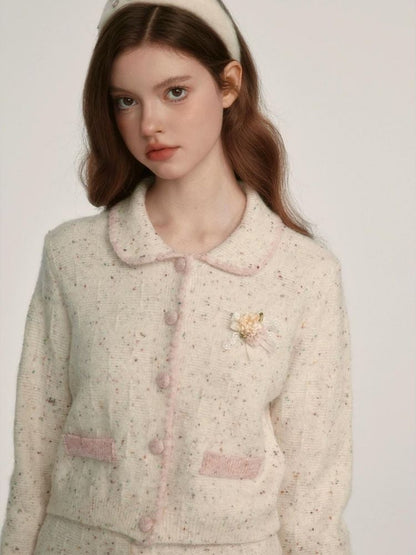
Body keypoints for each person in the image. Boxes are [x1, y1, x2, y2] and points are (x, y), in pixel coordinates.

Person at [0, 1, 353, 553]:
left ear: (229, 84)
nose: (149, 125)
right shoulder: (73, 256)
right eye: (126, 101)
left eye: (176, 92)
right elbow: (34, 456)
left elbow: (315, 492)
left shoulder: (303, 274)